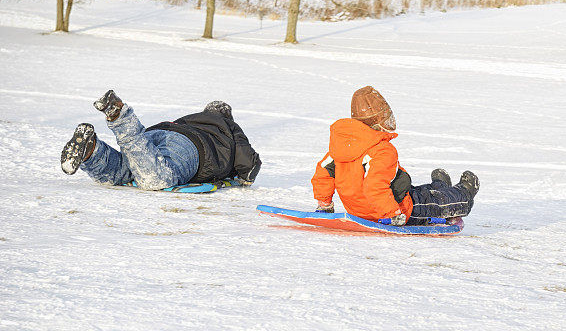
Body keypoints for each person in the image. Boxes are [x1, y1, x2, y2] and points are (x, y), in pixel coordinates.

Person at [311, 86, 479, 226]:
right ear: (378, 122)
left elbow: (323, 175)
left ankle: (440, 185)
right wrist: (392, 214)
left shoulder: (340, 147)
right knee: (434, 202)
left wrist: (324, 204)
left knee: (417, 191)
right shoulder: (382, 150)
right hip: (395, 209)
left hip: (361, 211)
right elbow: (374, 186)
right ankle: (464, 193)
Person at [60, 90, 261, 190]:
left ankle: (91, 151)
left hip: (160, 132)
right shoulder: (228, 127)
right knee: (158, 178)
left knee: (124, 171)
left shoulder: (192, 118)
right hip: (190, 149)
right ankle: (122, 118)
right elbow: (249, 164)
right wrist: (244, 179)